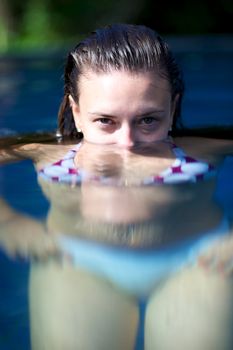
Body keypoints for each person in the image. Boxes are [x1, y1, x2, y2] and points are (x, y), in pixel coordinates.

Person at [0, 23, 233, 350]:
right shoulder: (45, 151)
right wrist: (8, 222)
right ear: (77, 112)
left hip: (199, 262)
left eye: (148, 119)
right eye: (105, 121)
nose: (127, 142)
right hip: (76, 263)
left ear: (172, 108)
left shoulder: (203, 147)